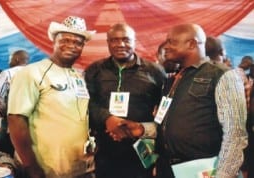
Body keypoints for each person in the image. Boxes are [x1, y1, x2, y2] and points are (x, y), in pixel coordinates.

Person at [154, 23, 247, 178]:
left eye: (172, 42)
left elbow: (235, 134)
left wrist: (223, 174)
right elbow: (166, 122)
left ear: (191, 44)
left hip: (204, 171)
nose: (166, 47)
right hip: (168, 169)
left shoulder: (222, 75)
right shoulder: (173, 80)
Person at [7, 16, 96, 178]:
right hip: (44, 170)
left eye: (78, 42)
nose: (71, 46)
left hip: (79, 168)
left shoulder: (80, 76)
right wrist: (31, 167)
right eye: (65, 40)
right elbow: (16, 120)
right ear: (53, 41)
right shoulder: (31, 73)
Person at [84, 23, 166, 178]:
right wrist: (107, 118)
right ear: (108, 43)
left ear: (135, 41)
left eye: (126, 40)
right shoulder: (94, 70)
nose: (121, 44)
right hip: (105, 151)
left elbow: (164, 111)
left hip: (142, 150)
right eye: (114, 40)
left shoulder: (154, 71)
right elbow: (87, 103)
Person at [0, 49, 30, 156]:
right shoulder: (36, 73)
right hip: (32, 120)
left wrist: (0, 111)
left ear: (16, 59)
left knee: (6, 148)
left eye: (10, 59)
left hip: (11, 119)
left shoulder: (7, 73)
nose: (9, 62)